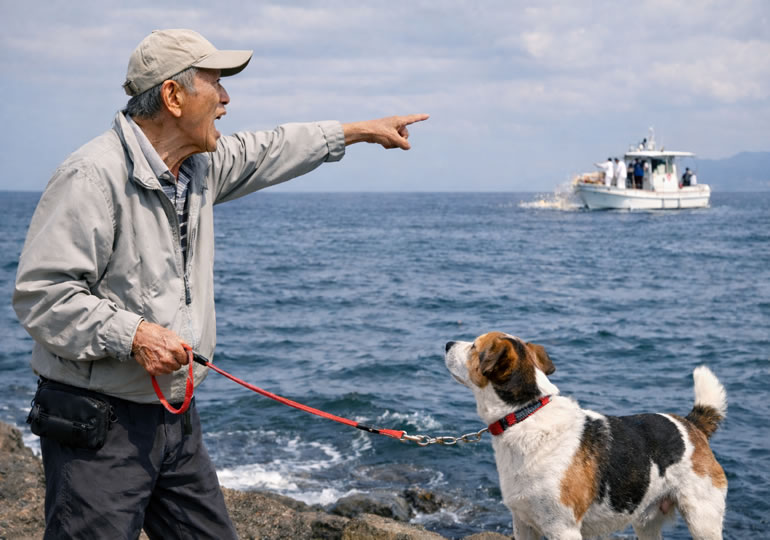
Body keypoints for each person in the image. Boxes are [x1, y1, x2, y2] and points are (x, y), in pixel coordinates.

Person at [12, 28, 428, 539]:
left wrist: (358, 131)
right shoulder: (91, 176)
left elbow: (271, 149)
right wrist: (136, 335)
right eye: (216, 84)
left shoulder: (199, 169)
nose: (227, 100)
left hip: (177, 419)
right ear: (173, 95)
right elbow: (43, 295)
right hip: (98, 428)